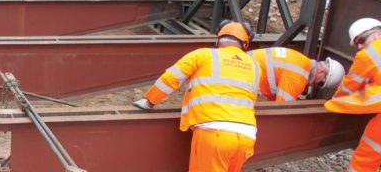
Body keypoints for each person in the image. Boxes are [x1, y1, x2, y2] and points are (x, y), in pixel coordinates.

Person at [133, 20, 259, 172]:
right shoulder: (254, 65)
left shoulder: (203, 55)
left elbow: (171, 78)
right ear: (245, 44)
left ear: (218, 40)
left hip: (214, 133)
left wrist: (149, 100)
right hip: (246, 136)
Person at [324, 17, 381, 172]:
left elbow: (349, 87)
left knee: (366, 157)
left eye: (361, 40)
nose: (360, 46)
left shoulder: (370, 53)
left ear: (377, 33)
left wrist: (335, 103)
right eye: (357, 44)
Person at [249, 47, 345, 102]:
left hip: (241, 65)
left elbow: (273, 98)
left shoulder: (301, 61)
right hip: (242, 74)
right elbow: (282, 108)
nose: (316, 85)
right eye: (321, 83)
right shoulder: (298, 77)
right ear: (322, 71)